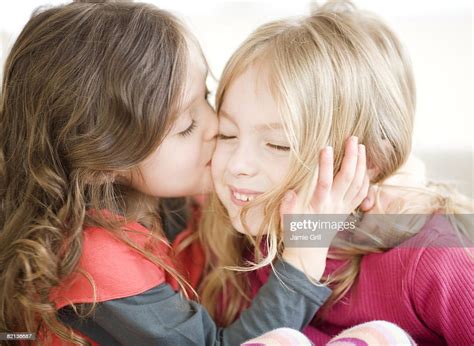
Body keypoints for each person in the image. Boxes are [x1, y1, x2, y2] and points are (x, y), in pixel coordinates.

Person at [0, 1, 368, 344]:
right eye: (187, 125)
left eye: (205, 97)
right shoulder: (93, 264)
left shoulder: (166, 187)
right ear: (102, 165)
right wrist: (304, 257)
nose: (216, 125)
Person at [198, 1, 473, 345]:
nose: (237, 165)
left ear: (367, 162)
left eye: (279, 145)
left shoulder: (430, 258)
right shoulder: (241, 243)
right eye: (227, 134)